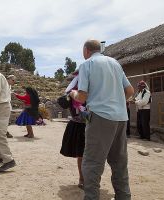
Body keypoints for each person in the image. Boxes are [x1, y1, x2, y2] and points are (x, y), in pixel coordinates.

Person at [70, 40, 134, 200]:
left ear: (86, 50)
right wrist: (116, 102)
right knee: (119, 163)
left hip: (100, 117)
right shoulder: (114, 63)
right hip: (121, 118)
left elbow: (82, 96)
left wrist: (73, 94)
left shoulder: (87, 64)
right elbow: (130, 90)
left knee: (92, 163)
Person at [60, 69, 86, 189]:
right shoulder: (71, 92)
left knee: (92, 155)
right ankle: (82, 178)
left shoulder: (93, 90)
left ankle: (91, 178)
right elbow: (63, 103)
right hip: (78, 126)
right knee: (81, 154)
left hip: (92, 125)